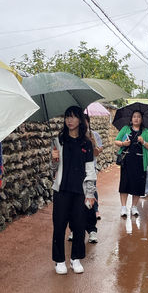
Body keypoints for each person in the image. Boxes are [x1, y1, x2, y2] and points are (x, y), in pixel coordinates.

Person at [51, 106, 96, 275]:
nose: (69, 120)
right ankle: (59, 260)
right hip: (62, 189)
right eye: (67, 117)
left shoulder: (86, 143)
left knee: (78, 225)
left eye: (73, 117)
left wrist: (90, 193)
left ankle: (75, 258)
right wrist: (54, 160)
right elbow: (53, 169)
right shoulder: (58, 140)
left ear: (80, 120)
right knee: (59, 226)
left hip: (80, 191)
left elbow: (90, 170)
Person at [114, 110, 148, 217]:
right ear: (131, 119)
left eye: (138, 117)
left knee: (137, 185)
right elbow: (116, 141)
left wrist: (144, 142)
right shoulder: (125, 129)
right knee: (125, 184)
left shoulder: (146, 132)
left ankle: (134, 207)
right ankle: (123, 207)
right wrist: (124, 143)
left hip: (140, 162)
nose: (136, 119)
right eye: (134, 117)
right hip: (127, 161)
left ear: (142, 120)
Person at [85, 114, 102, 243]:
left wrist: (93, 144)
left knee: (90, 197)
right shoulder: (71, 137)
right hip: (76, 174)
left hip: (90, 170)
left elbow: (96, 153)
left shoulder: (94, 135)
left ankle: (91, 230)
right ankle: (75, 229)